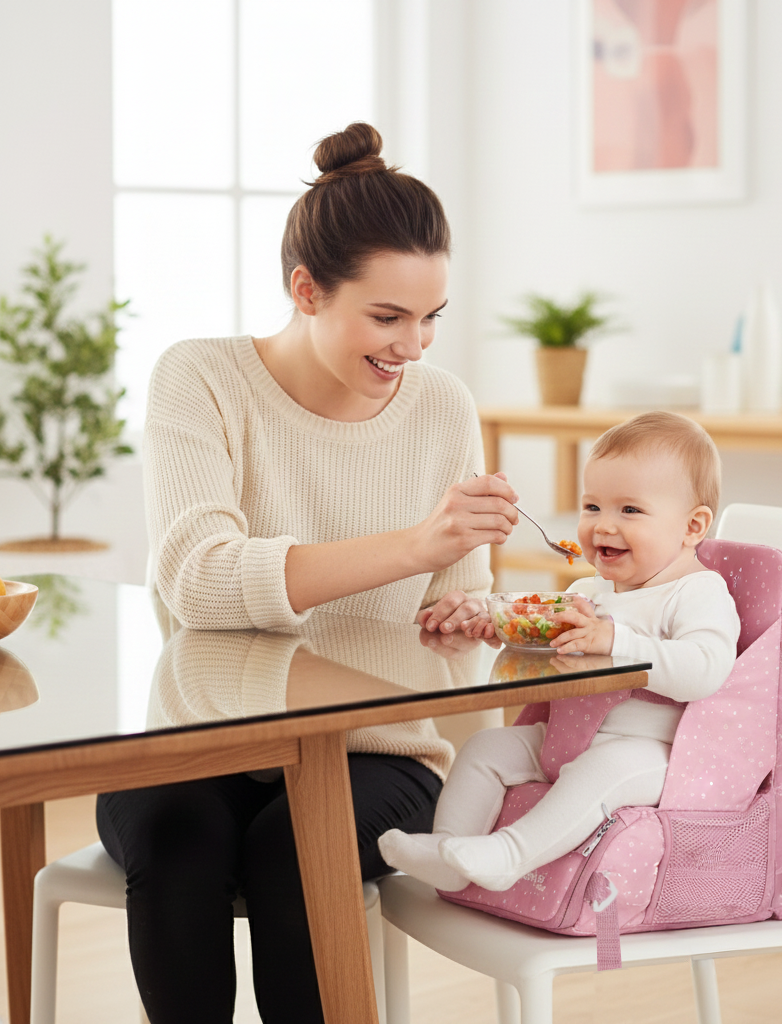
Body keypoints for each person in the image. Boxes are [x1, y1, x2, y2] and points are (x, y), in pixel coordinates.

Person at [96, 122, 519, 1024]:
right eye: (388, 317)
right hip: (198, 735)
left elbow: (453, 607)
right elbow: (197, 577)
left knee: (300, 854)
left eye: (432, 317)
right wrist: (415, 545)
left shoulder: (443, 407)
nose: (415, 346)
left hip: (379, 751)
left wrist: (470, 609)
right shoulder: (200, 380)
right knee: (176, 842)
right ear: (305, 290)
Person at [379, 411, 741, 892]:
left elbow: (706, 670)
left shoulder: (697, 591)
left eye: (629, 511)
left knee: (599, 772)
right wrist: (500, 627)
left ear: (693, 526)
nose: (603, 526)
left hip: (654, 755)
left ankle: (509, 855)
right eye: (593, 507)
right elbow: (546, 645)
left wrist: (617, 641)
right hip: (569, 735)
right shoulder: (590, 589)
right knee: (486, 747)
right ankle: (448, 847)